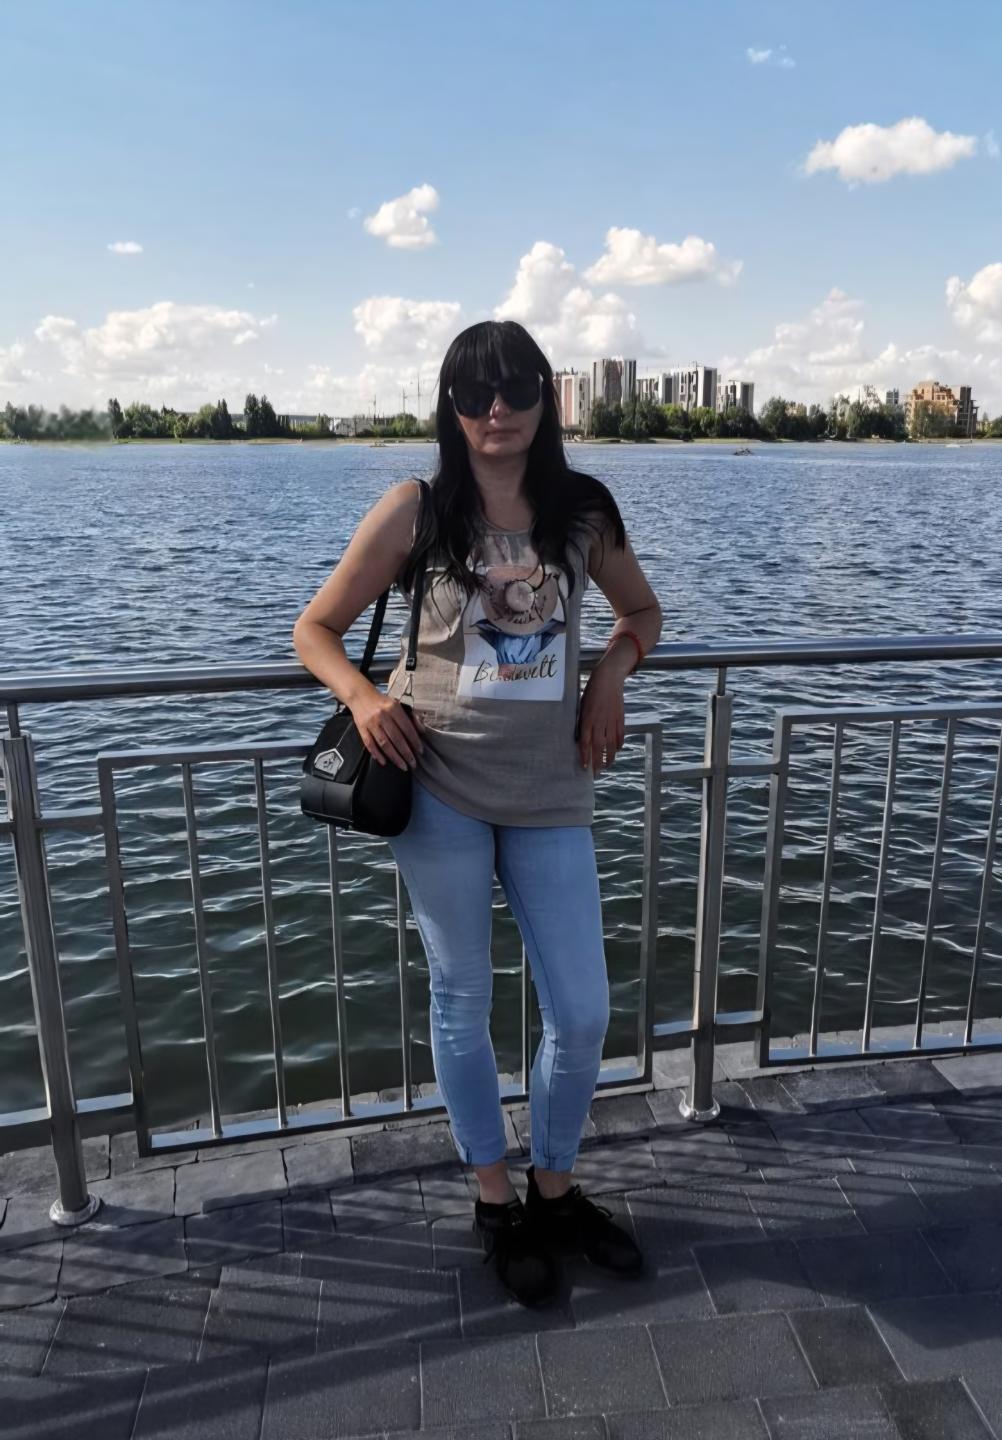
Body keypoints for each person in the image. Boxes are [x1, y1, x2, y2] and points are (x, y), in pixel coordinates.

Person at [292, 319, 663, 1307]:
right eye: (472, 392)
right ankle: (495, 1200)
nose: (496, 409)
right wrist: (364, 699)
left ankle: (555, 1189)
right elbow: (314, 628)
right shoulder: (416, 510)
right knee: (463, 997)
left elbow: (643, 613)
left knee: (580, 1010)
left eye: (515, 388)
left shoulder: (583, 512)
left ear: (548, 397)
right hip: (437, 787)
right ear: (449, 407)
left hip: (550, 792)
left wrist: (609, 675)